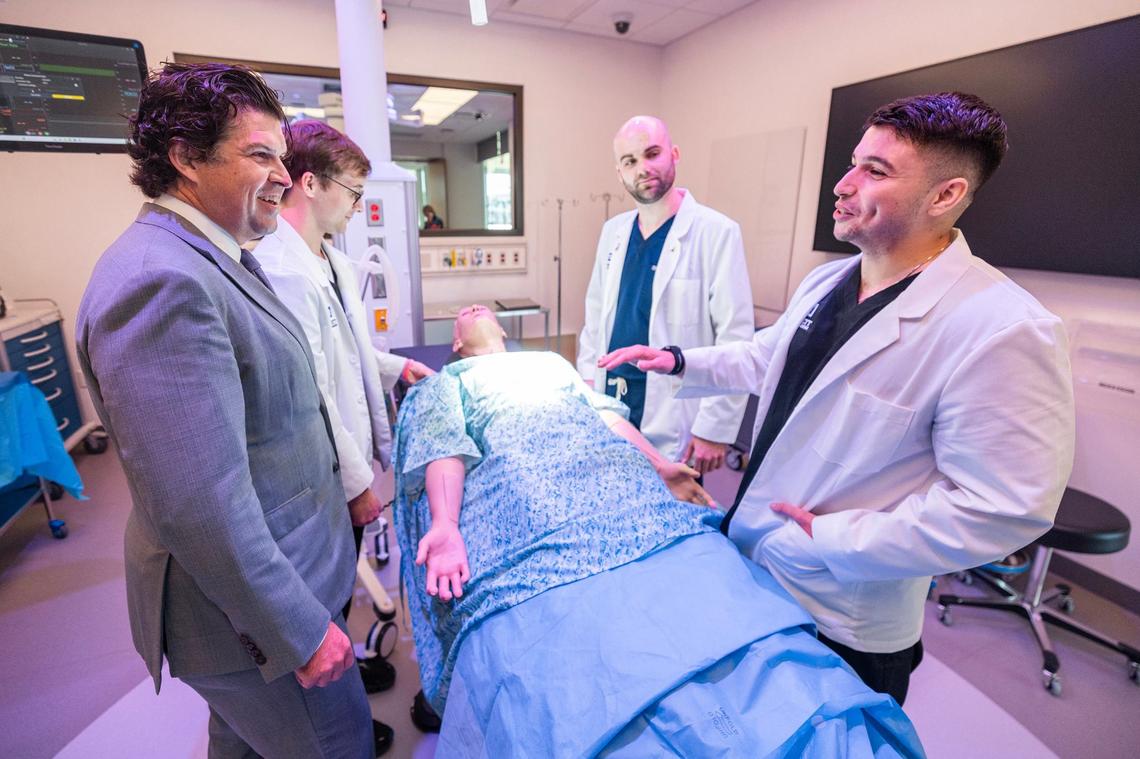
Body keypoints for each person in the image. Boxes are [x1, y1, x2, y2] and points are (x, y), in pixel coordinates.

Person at [599, 92, 1076, 706]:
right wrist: (677, 360)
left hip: (843, 612)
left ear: (945, 195)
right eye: (853, 164)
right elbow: (767, 358)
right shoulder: (829, 281)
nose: (843, 185)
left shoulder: (1002, 327)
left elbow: (1007, 508)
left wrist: (833, 541)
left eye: (875, 171)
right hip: (755, 561)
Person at [390, 307, 925, 758]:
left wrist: (659, 465)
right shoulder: (446, 383)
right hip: (525, 497)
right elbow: (443, 447)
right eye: (465, 314)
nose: (475, 310)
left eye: (482, 308)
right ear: (456, 344)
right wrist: (445, 523)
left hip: (620, 487)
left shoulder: (550, 364)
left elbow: (606, 418)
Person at [75, 63, 383, 757]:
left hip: (285, 568)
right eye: (261, 155)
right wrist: (296, 629)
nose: (284, 175)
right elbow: (199, 504)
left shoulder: (218, 257)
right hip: (253, 620)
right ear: (187, 157)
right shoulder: (162, 282)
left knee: (240, 744)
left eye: (283, 155)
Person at [255, 120, 433, 695]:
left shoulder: (328, 258)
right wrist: (358, 486)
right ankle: (327, 698)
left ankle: (341, 668)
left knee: (338, 572)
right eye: (354, 192)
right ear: (310, 183)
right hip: (320, 469)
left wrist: (396, 367)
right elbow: (315, 391)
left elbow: (348, 349)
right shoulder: (282, 271)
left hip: (346, 452)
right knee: (323, 583)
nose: (359, 206)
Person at [577, 115, 753, 475]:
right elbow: (595, 317)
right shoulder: (613, 232)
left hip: (676, 413)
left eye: (652, 154)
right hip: (612, 400)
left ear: (674, 154)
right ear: (620, 173)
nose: (642, 168)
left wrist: (714, 428)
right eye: (630, 161)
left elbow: (735, 338)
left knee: (674, 500)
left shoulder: (716, 233)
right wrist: (588, 384)